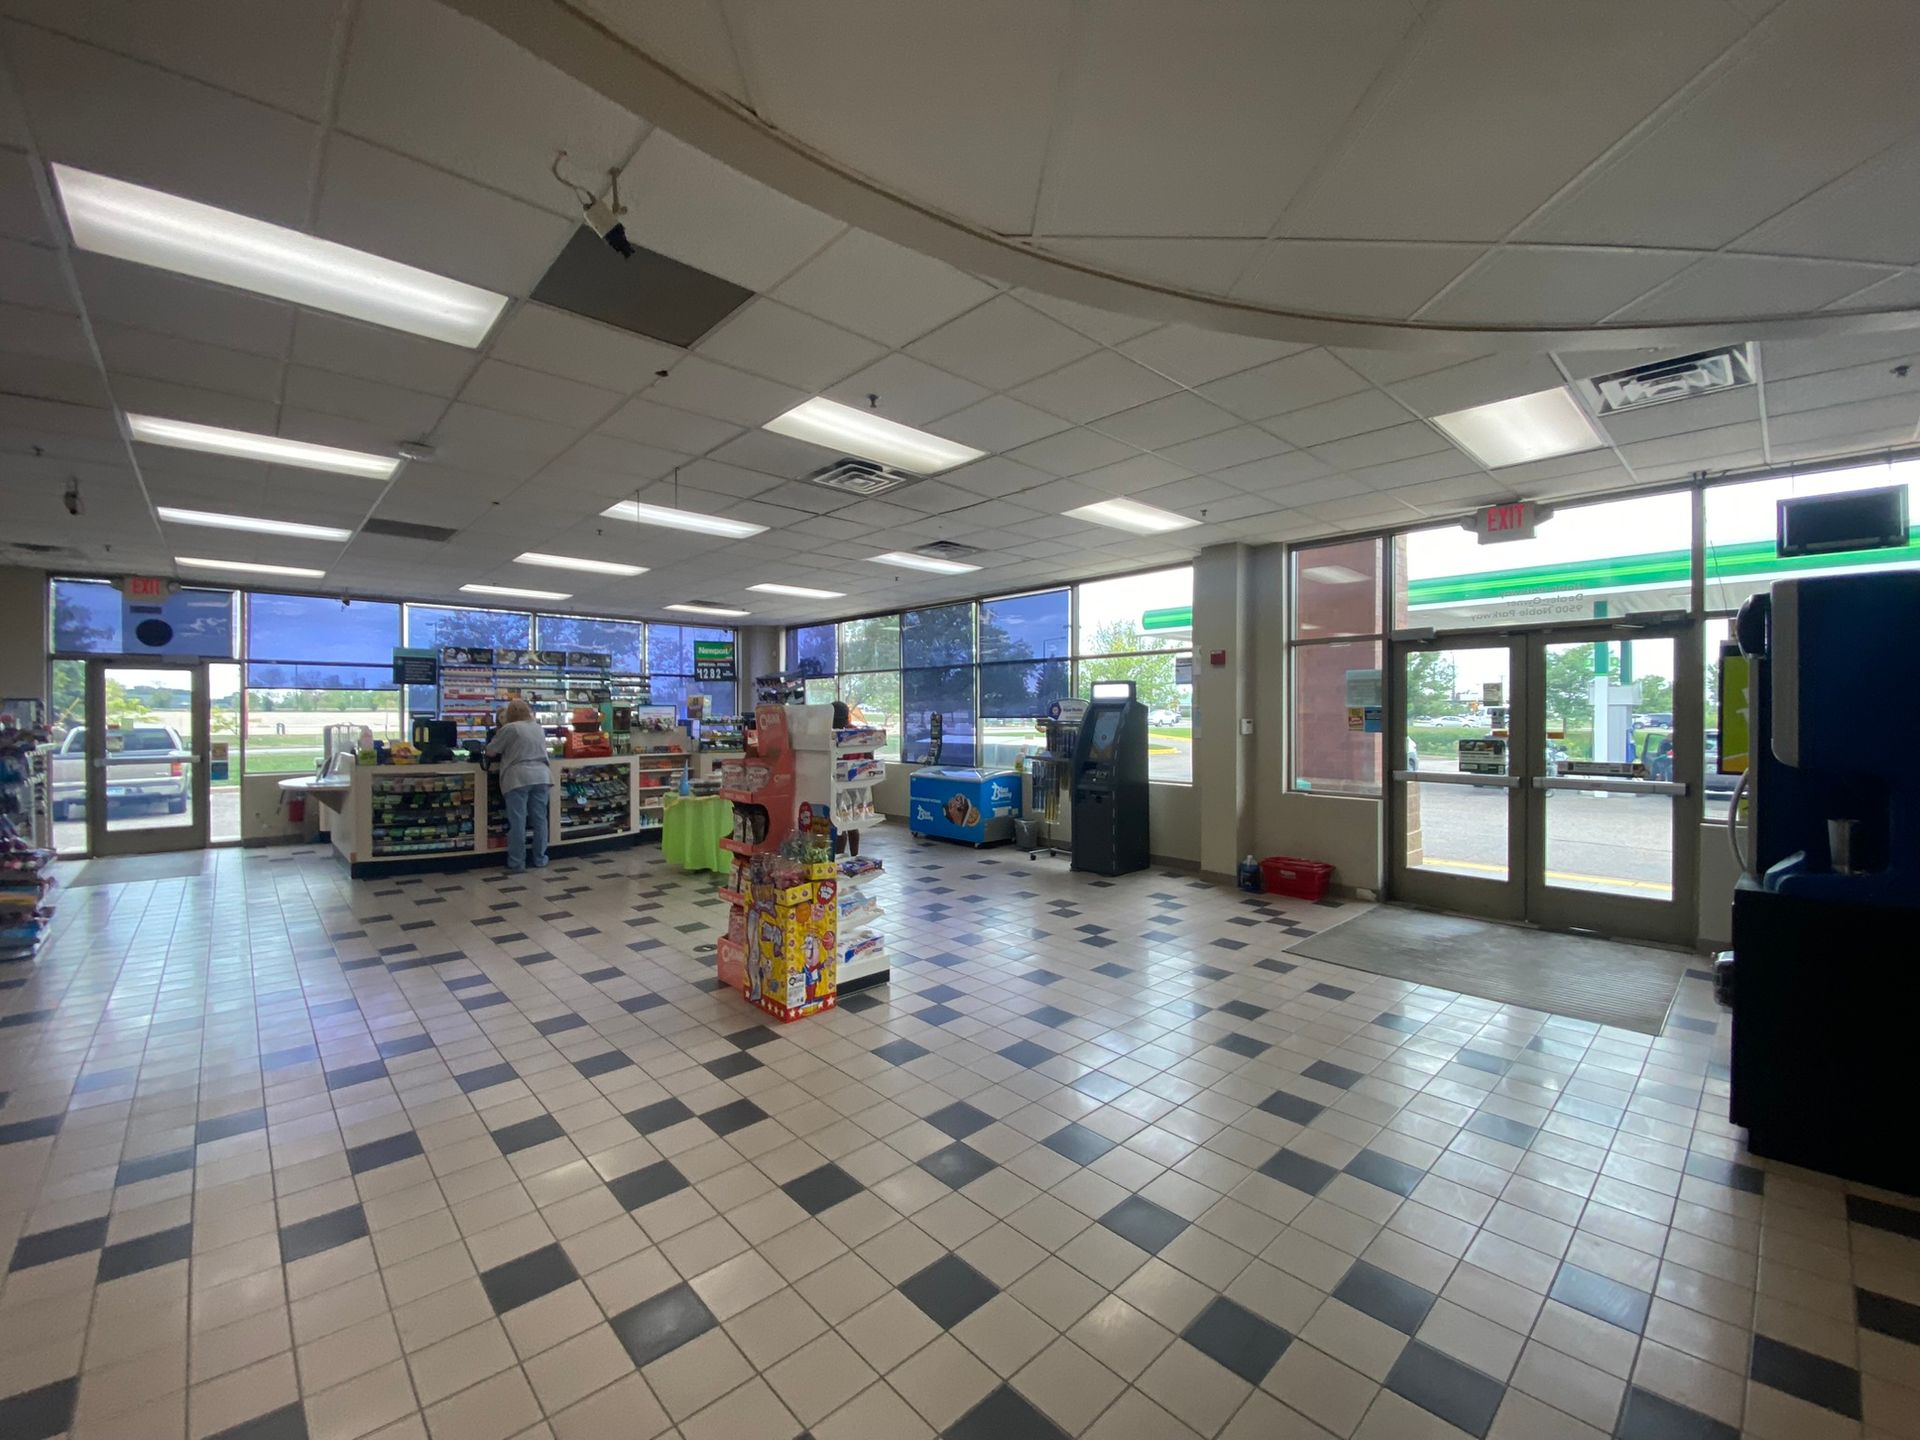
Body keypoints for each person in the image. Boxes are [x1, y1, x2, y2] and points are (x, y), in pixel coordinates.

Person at [485, 698, 550, 871]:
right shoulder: (538, 728)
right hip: (542, 776)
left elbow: (491, 750)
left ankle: (517, 863)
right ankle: (540, 859)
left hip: (518, 778)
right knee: (540, 820)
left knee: (518, 821)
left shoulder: (510, 728)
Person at [832, 700, 862, 858]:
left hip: (839, 783)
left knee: (840, 824)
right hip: (856, 782)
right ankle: (855, 857)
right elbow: (867, 756)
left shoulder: (835, 735)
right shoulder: (857, 732)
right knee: (852, 823)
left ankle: (839, 859)